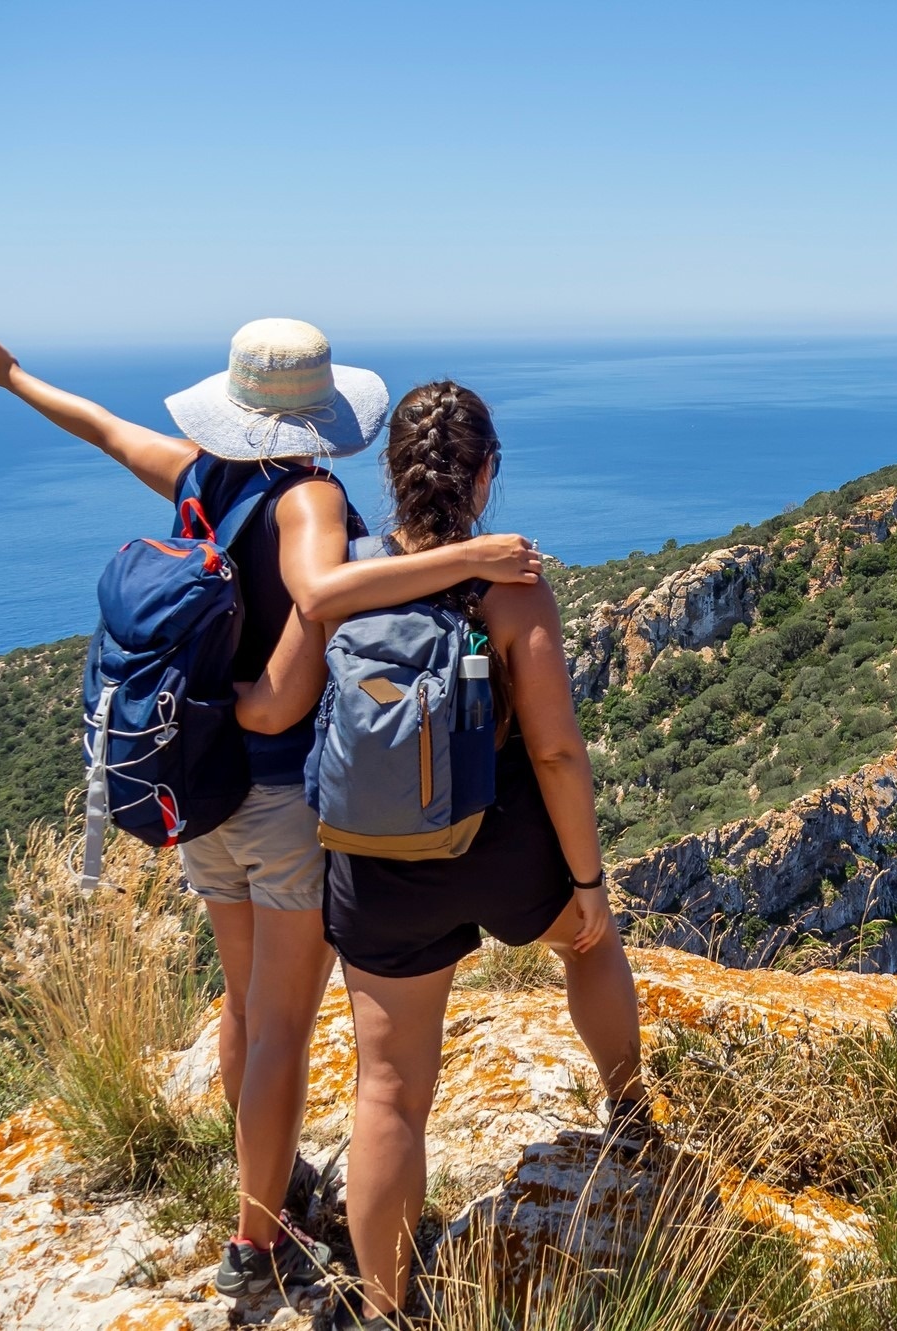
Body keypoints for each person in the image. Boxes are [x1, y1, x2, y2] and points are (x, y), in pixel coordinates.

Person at [0, 320, 548, 1304]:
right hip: (276, 798)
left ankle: (267, 1182)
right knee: (277, 1024)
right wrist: (467, 558)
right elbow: (319, 596)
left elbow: (103, 427)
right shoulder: (309, 496)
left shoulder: (199, 472)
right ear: (316, 415)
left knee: (245, 1007)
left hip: (203, 789)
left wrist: (10, 375)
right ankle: (256, 1240)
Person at [238, 380, 646, 1329]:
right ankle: (630, 1114)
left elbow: (281, 706)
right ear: (486, 474)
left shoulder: (348, 576)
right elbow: (552, 748)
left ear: (391, 472)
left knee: (387, 1091)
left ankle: (384, 1308)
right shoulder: (508, 584)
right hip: (497, 844)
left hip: (377, 866)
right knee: (590, 942)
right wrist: (585, 883)